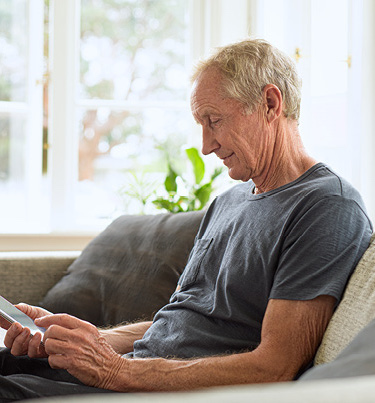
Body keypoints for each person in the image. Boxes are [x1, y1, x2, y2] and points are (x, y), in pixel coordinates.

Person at [0, 38, 372, 400]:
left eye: (213, 120)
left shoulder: (327, 208)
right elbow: (181, 320)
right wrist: (77, 341)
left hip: (150, 388)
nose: (206, 145)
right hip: (132, 371)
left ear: (270, 103)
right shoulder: (229, 201)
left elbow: (274, 368)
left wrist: (113, 371)